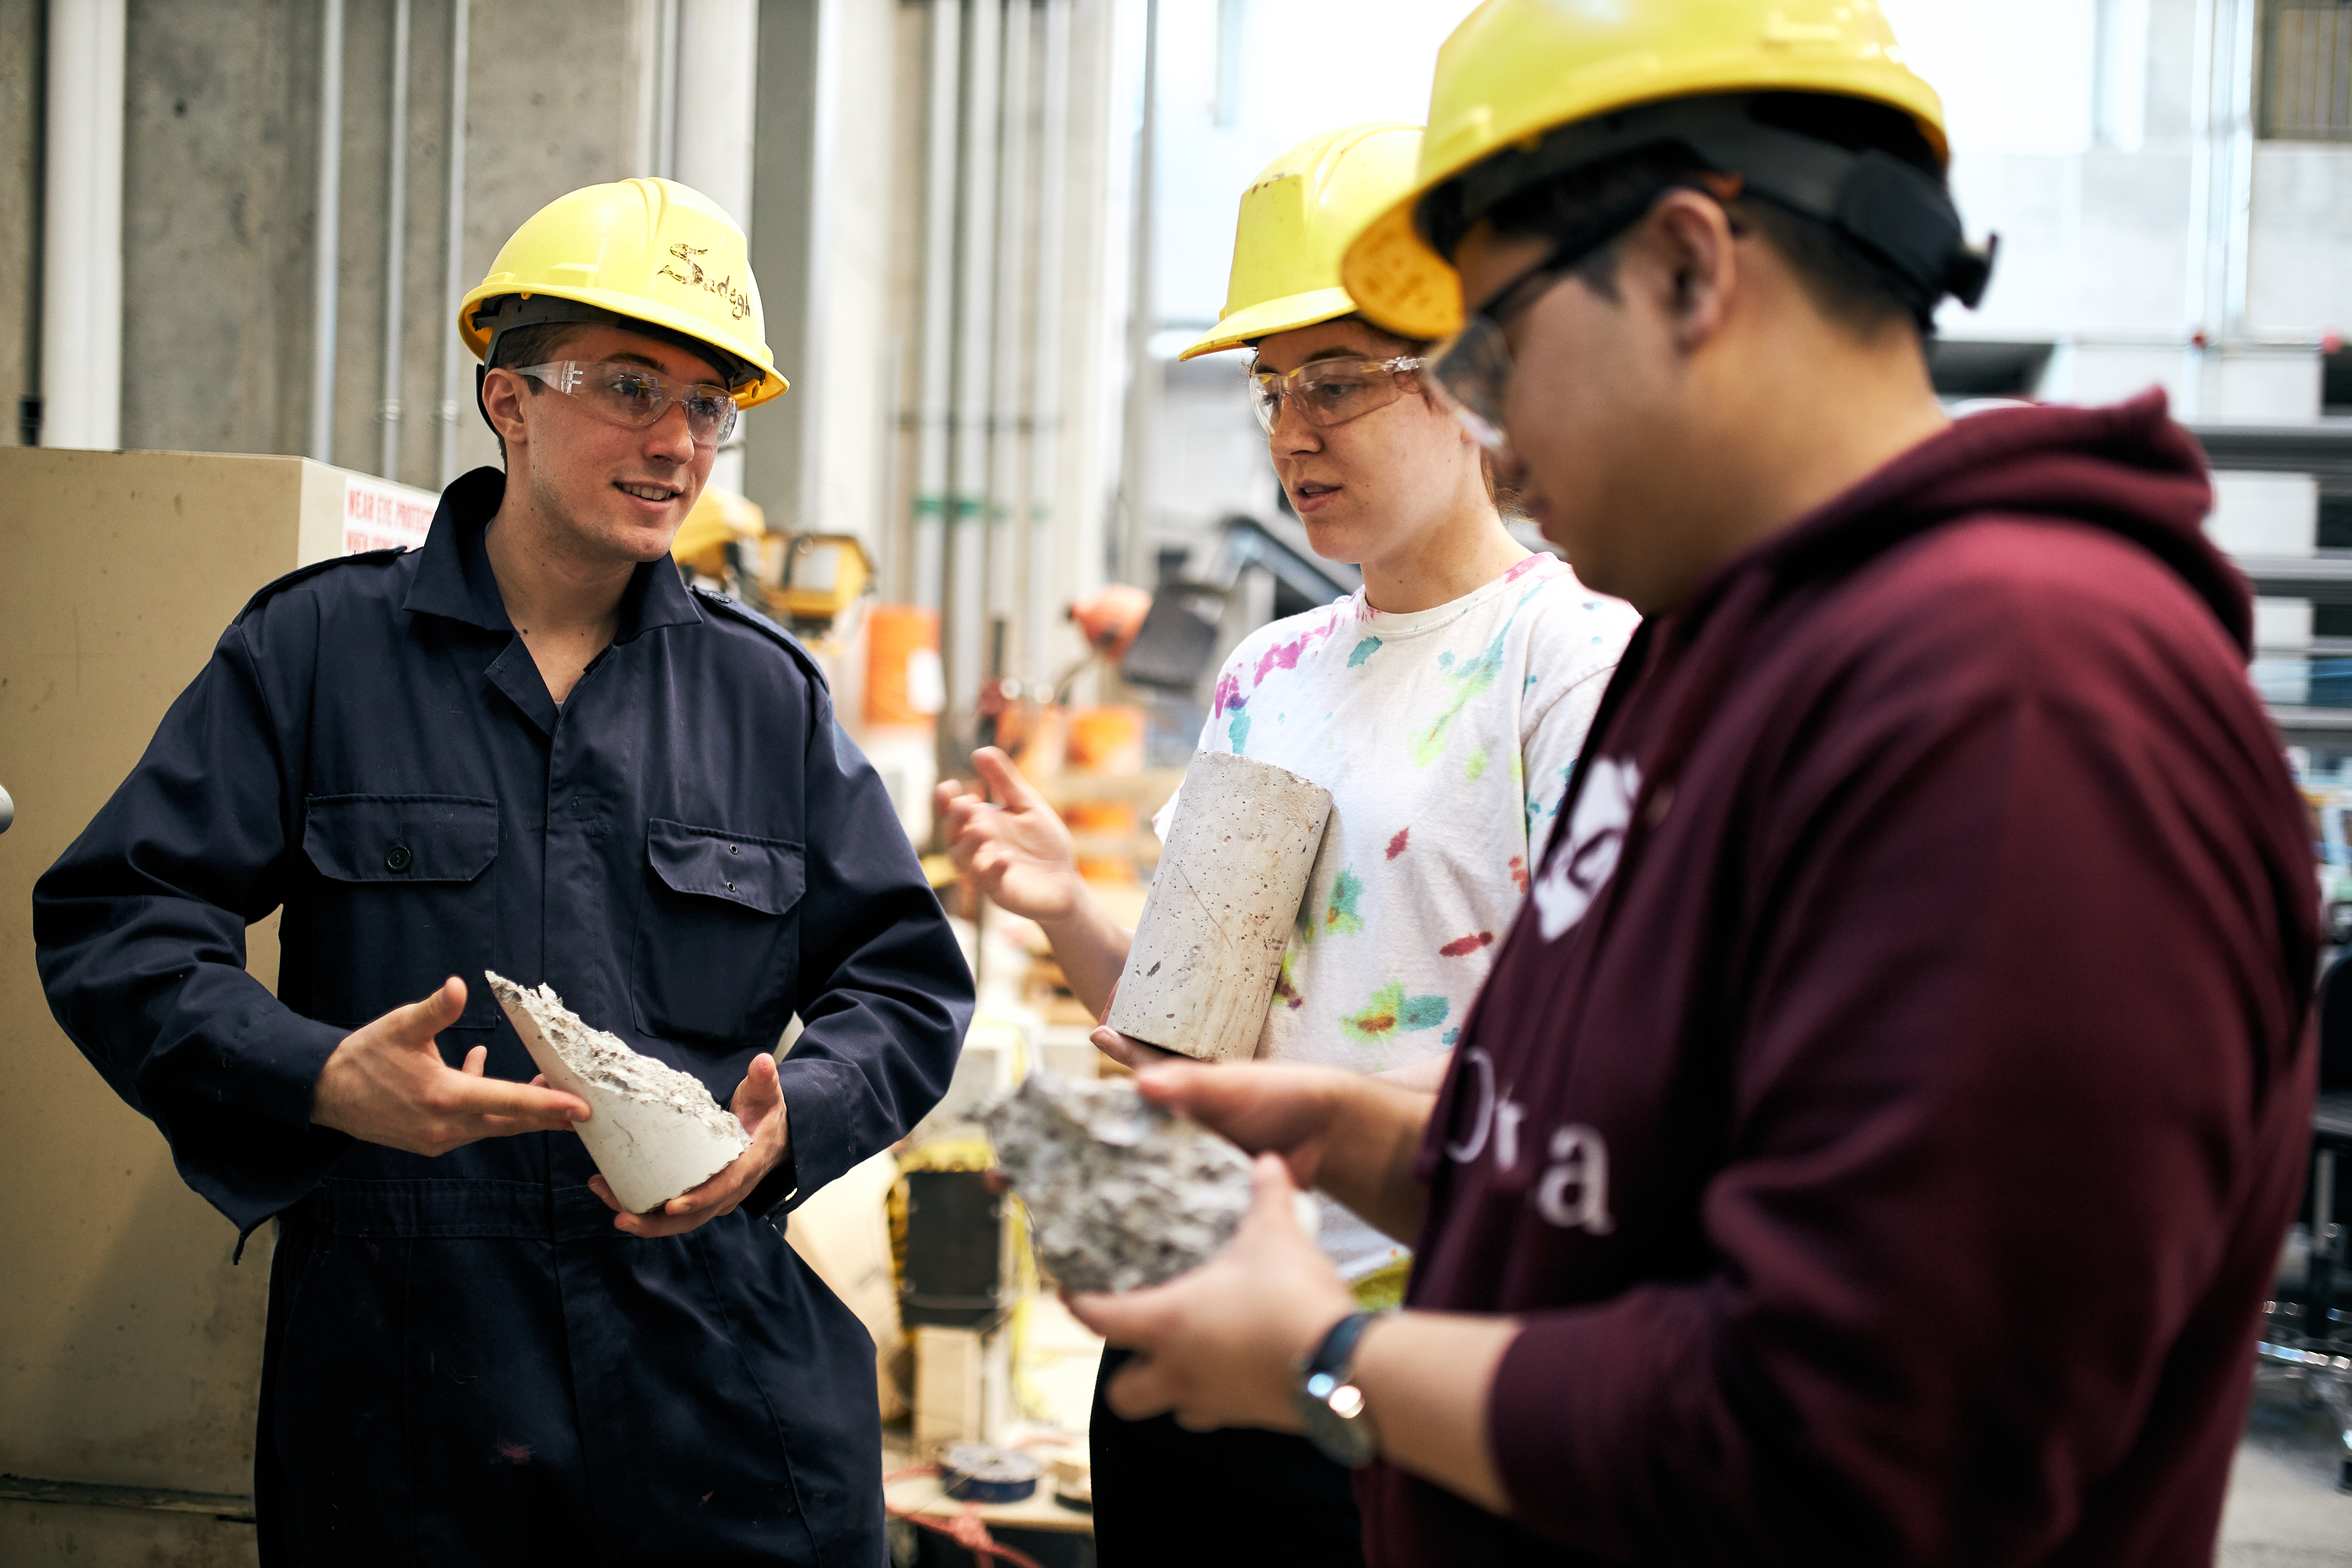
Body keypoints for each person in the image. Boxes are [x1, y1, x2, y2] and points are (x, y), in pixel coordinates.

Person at [1062, 4, 2320, 1565]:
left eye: (1500, 352)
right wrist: (1365, 1136)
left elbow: (1869, 1448)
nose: (1495, 443)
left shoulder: (2022, 697)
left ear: (1686, 267)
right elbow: (1639, 1183)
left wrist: (1335, 1364)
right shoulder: (1719, 657)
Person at [34, 178, 971, 1565]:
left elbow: (902, 979)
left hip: (708, 1378)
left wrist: (794, 1123)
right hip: (410, 1397)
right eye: (631, 387)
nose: (678, 443)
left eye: (711, 405)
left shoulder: (765, 698)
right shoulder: (316, 657)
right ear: (509, 397)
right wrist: (315, 1072)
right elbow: (120, 923)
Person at [936, 122, 1634, 1567]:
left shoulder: (1565, 663)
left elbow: (1604, 1061)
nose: (1289, 432)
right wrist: (1068, 906)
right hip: (1207, 1329)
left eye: (1335, 382)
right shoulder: (1270, 672)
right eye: (1271, 392)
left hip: (1420, 1361)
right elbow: (1188, 1034)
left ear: (1470, 384)